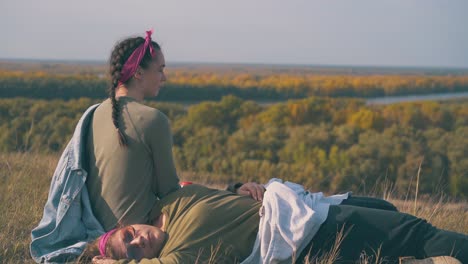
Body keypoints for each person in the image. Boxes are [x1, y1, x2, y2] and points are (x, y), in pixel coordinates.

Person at [83, 181, 467, 264]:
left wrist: (238, 187)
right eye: (129, 253)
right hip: (307, 233)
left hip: (302, 206)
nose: (137, 243)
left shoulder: (171, 200)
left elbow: (215, 194)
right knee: (418, 233)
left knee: (387, 208)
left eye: (128, 235)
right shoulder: (177, 258)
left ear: (128, 223)